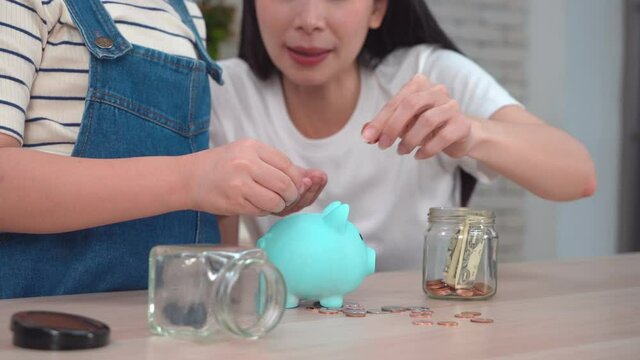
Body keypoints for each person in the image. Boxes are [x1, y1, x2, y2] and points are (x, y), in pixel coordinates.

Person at [209, 0, 597, 271]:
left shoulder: (428, 75)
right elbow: (218, 262)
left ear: (377, 8)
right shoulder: (224, 92)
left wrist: (473, 133)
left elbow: (578, 175)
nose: (309, 19)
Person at [0, 0, 326, 299]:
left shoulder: (185, 15)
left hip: (174, 326)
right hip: (42, 328)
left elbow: (201, 211)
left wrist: (241, 193)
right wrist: (190, 179)